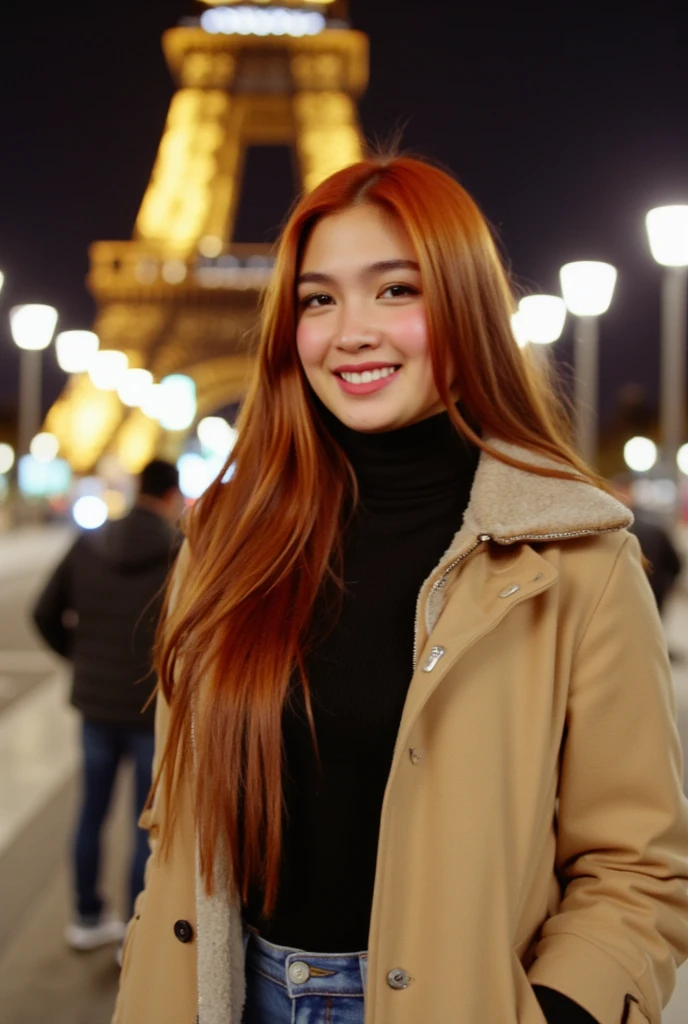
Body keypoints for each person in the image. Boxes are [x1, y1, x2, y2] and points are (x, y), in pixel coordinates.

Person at [114, 157, 688, 1024]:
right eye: (318, 299)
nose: (351, 331)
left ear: (464, 306)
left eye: (395, 291)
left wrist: (559, 1010)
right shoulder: (227, 541)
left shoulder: (577, 559)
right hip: (227, 995)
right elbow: (177, 819)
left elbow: (638, 867)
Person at [33, 459, 184, 953]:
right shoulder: (178, 551)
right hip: (148, 709)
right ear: (171, 495)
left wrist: (79, 657)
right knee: (148, 824)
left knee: (91, 813)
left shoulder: (89, 542)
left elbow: (43, 611)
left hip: (96, 706)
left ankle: (85, 915)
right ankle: (134, 935)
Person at [611, 473, 683, 613]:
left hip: (624, 601)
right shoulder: (655, 523)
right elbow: (675, 566)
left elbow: (674, 564)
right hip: (652, 597)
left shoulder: (610, 530)